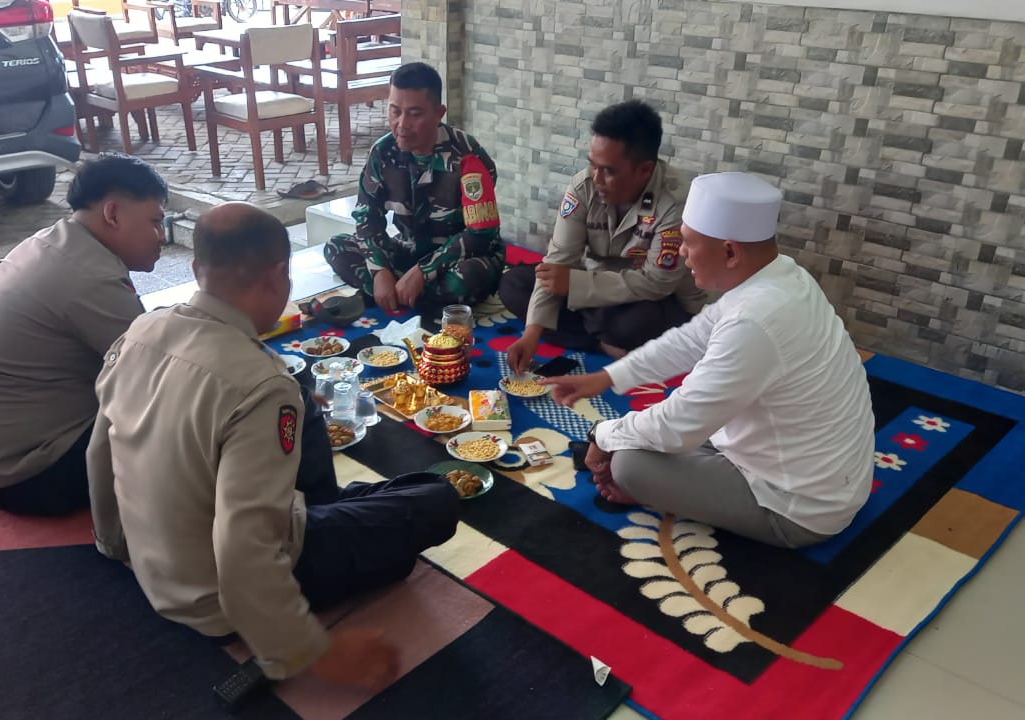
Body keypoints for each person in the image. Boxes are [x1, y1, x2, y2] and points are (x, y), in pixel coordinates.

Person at [87, 202, 460, 689]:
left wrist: (115, 548)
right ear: (278, 276)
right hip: (218, 597)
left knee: (318, 420)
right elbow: (244, 543)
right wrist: (311, 653)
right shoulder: (261, 384)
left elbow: (101, 452)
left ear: (197, 268)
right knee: (436, 500)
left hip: (154, 562)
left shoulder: (141, 330)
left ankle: (324, 519)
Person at [542, 172, 875, 549]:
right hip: (821, 472)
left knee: (630, 463)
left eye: (688, 242)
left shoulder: (756, 320)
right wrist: (607, 377)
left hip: (799, 508)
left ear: (730, 251)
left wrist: (600, 435)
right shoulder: (783, 277)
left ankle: (660, 488)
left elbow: (678, 424)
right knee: (640, 436)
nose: (680, 253)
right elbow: (689, 340)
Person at [0, 153, 168, 515]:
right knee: (192, 411)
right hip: (29, 474)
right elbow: (161, 374)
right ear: (112, 214)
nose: (162, 236)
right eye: (155, 221)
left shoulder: (53, 243)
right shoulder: (88, 276)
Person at [502, 100, 706, 373]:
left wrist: (575, 286)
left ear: (645, 169)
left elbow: (657, 283)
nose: (596, 178)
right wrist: (531, 334)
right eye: (593, 165)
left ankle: (598, 330)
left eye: (608, 171)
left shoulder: (676, 201)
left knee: (631, 324)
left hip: (654, 299)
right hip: (596, 287)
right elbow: (558, 261)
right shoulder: (584, 186)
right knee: (513, 284)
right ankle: (602, 343)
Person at [324, 62, 505, 318]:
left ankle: (401, 295)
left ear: (438, 113)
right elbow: (367, 219)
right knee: (337, 247)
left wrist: (423, 271)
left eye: (415, 114)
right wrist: (379, 272)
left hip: (457, 259)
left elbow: (481, 235)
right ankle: (408, 294)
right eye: (395, 111)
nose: (402, 124)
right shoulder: (382, 152)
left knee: (470, 276)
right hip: (408, 252)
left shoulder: (467, 156)